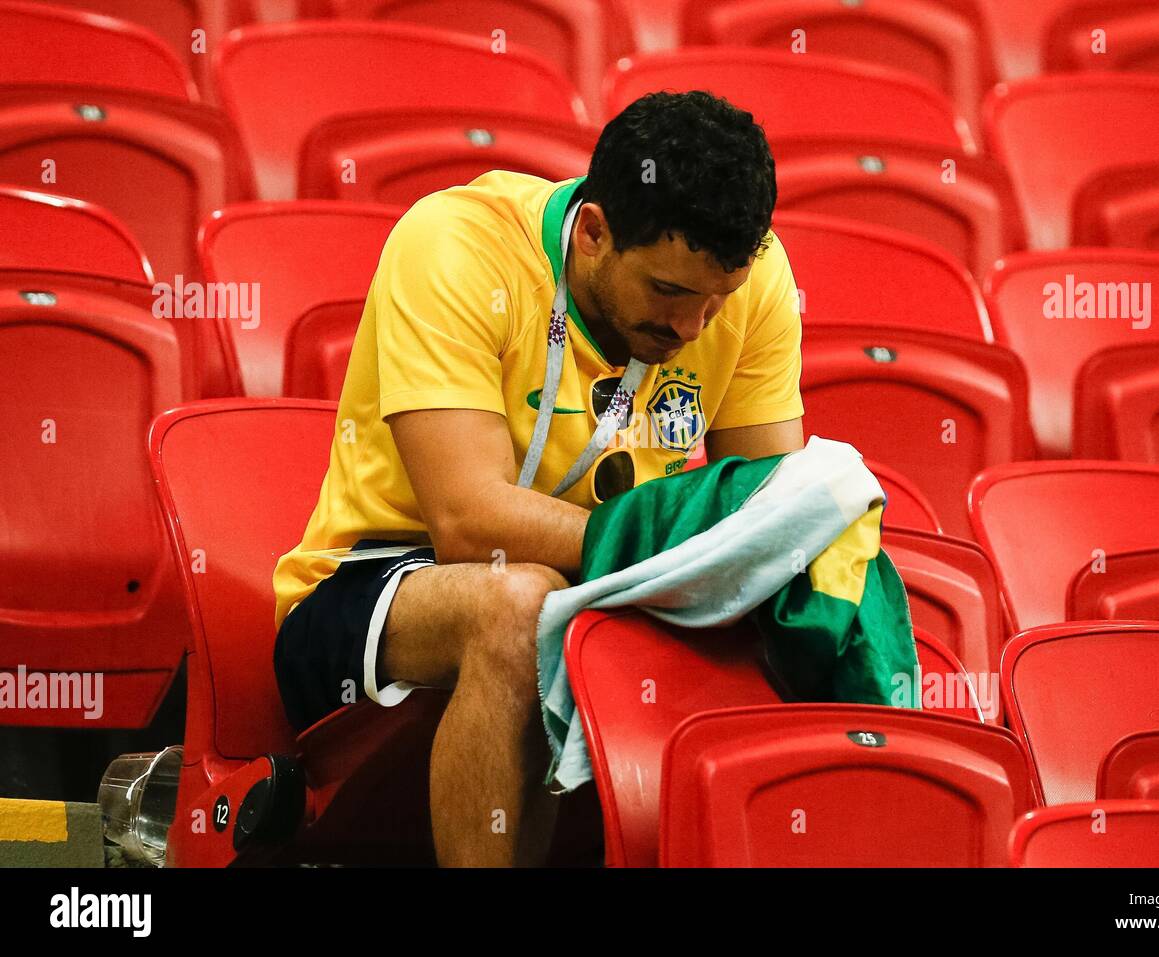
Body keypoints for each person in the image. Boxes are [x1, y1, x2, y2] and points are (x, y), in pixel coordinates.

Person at [271, 90, 805, 866]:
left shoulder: (751, 282)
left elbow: (767, 503)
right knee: (522, 602)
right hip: (372, 585)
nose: (692, 328)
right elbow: (467, 522)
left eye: (716, 302)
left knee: (788, 605)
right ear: (592, 233)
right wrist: (673, 548)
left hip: (599, 581)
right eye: (669, 292)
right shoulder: (453, 245)